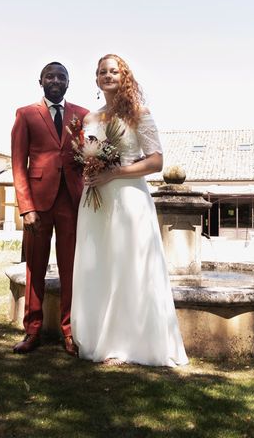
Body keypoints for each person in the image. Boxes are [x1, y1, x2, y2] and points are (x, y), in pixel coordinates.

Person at [71, 54, 189, 367]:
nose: (107, 75)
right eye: (102, 72)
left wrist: (114, 173)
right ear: (96, 80)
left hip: (129, 198)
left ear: (124, 77)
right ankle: (101, 338)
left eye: (113, 71)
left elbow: (156, 161)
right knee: (99, 266)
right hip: (95, 199)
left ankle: (131, 343)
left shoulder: (140, 113)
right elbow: (89, 153)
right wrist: (90, 169)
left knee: (130, 265)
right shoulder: (89, 119)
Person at [11, 62, 89, 356]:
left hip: (71, 201)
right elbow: (18, 164)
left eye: (61, 76)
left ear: (68, 83)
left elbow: (87, 156)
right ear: (40, 81)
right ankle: (32, 330)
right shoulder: (26, 114)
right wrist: (26, 207)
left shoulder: (82, 115)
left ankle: (69, 332)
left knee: (72, 268)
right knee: (35, 268)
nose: (56, 80)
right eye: (50, 76)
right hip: (38, 204)